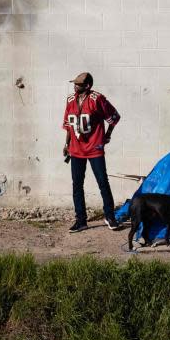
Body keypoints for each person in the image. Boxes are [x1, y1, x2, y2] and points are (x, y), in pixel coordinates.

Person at [62, 72, 121, 233]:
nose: (75, 86)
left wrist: (107, 136)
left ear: (87, 86)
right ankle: (81, 220)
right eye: (74, 84)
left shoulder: (98, 99)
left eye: (78, 84)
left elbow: (114, 117)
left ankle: (110, 216)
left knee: (103, 182)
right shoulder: (70, 100)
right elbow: (69, 125)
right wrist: (66, 144)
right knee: (77, 185)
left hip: (94, 148)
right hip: (76, 149)